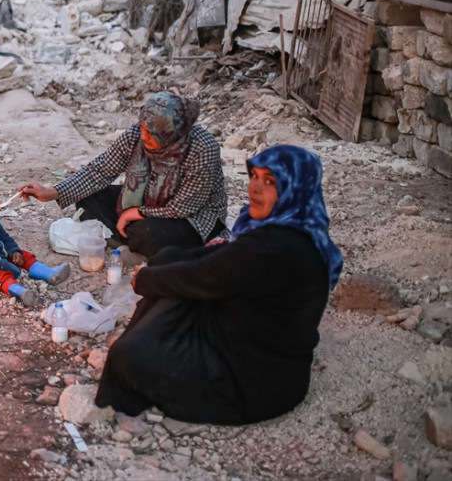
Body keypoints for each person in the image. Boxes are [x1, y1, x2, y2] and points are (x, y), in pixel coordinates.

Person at [94, 145, 344, 425]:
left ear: (296, 188)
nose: (256, 188)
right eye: (255, 176)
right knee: (167, 259)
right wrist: (160, 268)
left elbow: (206, 275)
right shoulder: (289, 228)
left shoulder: (277, 246)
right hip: (242, 335)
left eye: (270, 182)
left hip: (252, 382)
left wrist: (145, 279)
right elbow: (218, 259)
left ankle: (136, 359)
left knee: (130, 355)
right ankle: (145, 336)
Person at [19, 91, 227, 260]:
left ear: (171, 135)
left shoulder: (202, 148)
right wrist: (52, 192)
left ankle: (136, 239)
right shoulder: (138, 133)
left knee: (148, 234)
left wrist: (133, 213)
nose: (143, 137)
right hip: (147, 202)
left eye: (150, 133)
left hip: (191, 216)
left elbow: (184, 206)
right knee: (90, 197)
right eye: (143, 128)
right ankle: (134, 238)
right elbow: (100, 171)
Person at [0, 179, 70, 308]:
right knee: (0, 275)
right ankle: (21, 293)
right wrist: (6, 265)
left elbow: (4, 237)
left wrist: (14, 250)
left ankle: (50, 274)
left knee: (24, 256)